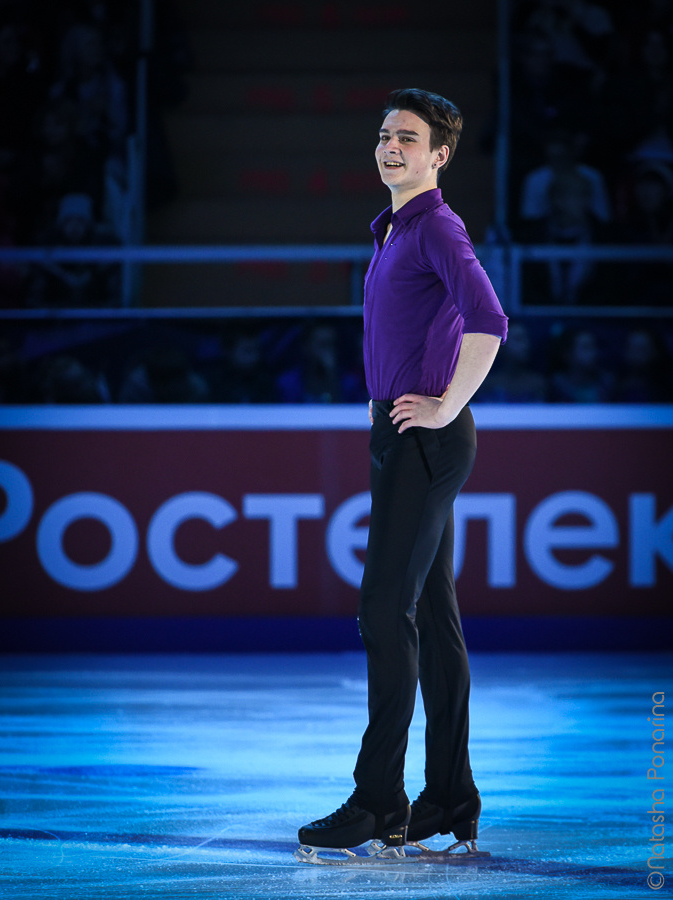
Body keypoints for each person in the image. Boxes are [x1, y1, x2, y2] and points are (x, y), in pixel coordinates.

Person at [297, 88, 508, 854]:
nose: (390, 147)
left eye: (408, 138)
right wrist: (382, 396)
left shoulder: (435, 227)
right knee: (434, 620)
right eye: (385, 135)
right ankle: (448, 795)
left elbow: (488, 319)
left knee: (383, 609)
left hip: (426, 441)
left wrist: (447, 404)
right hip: (403, 432)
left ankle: (378, 800)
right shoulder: (393, 230)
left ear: (439, 155)